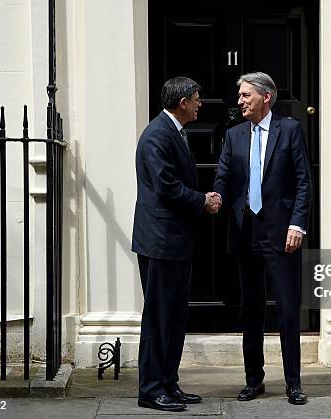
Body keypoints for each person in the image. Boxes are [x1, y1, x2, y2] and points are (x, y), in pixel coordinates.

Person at [214, 72, 311, 405]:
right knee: (251, 310)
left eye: (245, 95)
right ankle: (254, 380)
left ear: (265, 97)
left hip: (282, 235)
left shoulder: (290, 130)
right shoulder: (235, 135)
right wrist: (215, 197)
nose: (240, 101)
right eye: (239, 96)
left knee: (286, 311)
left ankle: (294, 383)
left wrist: (297, 225)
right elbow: (224, 176)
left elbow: (303, 182)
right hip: (246, 233)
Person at [132, 76, 221, 412]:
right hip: (160, 242)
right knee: (159, 317)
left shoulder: (172, 132)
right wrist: (204, 201)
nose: (200, 104)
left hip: (173, 240)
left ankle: (168, 382)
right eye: (197, 99)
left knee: (174, 316)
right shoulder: (157, 135)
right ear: (183, 102)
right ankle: (151, 389)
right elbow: (167, 187)